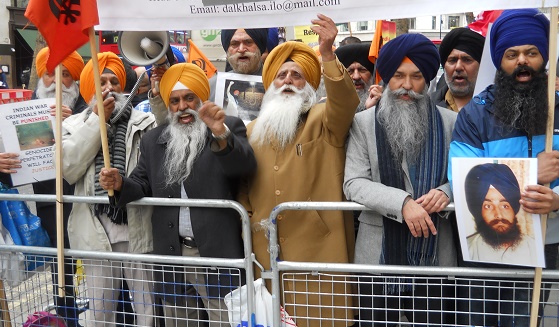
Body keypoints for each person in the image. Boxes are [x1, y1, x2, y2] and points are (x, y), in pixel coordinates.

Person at [99, 63, 256, 326]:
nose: (182, 107)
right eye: (174, 100)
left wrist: (220, 133)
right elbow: (141, 183)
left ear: (201, 98)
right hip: (173, 254)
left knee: (226, 321)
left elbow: (245, 167)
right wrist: (120, 183)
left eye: (188, 98)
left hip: (216, 254)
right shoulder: (154, 140)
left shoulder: (226, 126)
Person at [238, 14, 359, 327]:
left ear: (309, 85)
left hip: (318, 253)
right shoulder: (252, 131)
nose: (288, 81)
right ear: (270, 83)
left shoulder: (323, 120)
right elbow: (242, 184)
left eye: (297, 75)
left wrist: (329, 55)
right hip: (266, 253)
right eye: (281, 76)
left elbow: (345, 103)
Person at [449, 8, 559, 326]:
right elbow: (462, 175)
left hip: (544, 239)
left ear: (544, 58)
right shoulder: (475, 115)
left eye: (531, 53)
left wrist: (557, 199)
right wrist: (531, 173)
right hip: (486, 242)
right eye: (512, 54)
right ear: (500, 61)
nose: (522, 62)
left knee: (527, 319)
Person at [343, 33, 457, 326]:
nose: (407, 85)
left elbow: (465, 175)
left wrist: (447, 190)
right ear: (386, 79)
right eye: (398, 76)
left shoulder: (451, 122)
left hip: (434, 258)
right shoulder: (362, 123)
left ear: (428, 80)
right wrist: (403, 203)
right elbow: (354, 182)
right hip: (377, 256)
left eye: (416, 76)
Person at [61, 52, 156, 326]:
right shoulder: (72, 125)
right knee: (100, 313)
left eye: (114, 81)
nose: (108, 87)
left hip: (137, 226)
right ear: (90, 87)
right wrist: (96, 122)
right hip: (95, 231)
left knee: (146, 309)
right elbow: (68, 169)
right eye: (100, 81)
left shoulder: (145, 122)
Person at [32, 47, 88, 327]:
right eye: (50, 73)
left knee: (95, 260)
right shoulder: (22, 114)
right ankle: (67, 317)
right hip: (49, 200)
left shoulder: (86, 108)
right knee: (61, 265)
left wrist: (74, 123)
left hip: (86, 199)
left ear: (75, 80)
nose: (56, 81)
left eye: (65, 74)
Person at [464, 163, 538, 265]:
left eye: (505, 206)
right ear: (479, 210)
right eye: (488, 206)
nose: (498, 215)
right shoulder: (468, 248)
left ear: (514, 208)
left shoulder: (534, 248)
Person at [431, 27, 485, 112]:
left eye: (467, 60)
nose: (458, 67)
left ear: (480, 65)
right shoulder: (427, 107)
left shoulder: (497, 109)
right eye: (452, 60)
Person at [335, 43, 375, 112]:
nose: (356, 77)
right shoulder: (331, 107)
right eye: (350, 71)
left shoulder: (382, 104)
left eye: (362, 70)